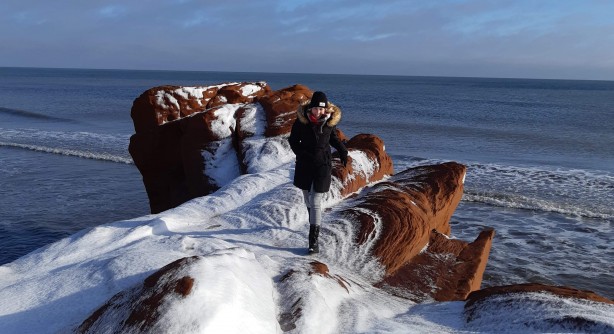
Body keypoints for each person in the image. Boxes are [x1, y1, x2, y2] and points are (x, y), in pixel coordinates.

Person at [288, 91, 348, 254]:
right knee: (307, 199)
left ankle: (313, 242)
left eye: (322, 109)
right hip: (304, 164)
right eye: (316, 109)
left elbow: (333, 138)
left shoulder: (329, 123)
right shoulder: (301, 122)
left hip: (323, 164)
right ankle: (313, 219)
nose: (319, 112)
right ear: (311, 108)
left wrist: (343, 151)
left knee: (315, 201)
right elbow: (293, 141)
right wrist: (301, 153)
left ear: (326, 109)